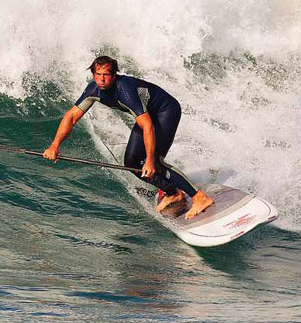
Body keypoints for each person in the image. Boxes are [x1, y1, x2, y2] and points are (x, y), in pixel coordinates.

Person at [44, 55, 214, 220]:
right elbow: (71, 117)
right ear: (93, 75)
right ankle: (173, 193)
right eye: (98, 75)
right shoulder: (93, 90)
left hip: (165, 111)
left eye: (106, 75)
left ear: (114, 75)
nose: (102, 80)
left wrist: (149, 160)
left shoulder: (125, 90)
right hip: (148, 116)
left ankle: (199, 197)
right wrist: (54, 145)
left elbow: (147, 125)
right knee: (132, 164)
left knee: (155, 162)